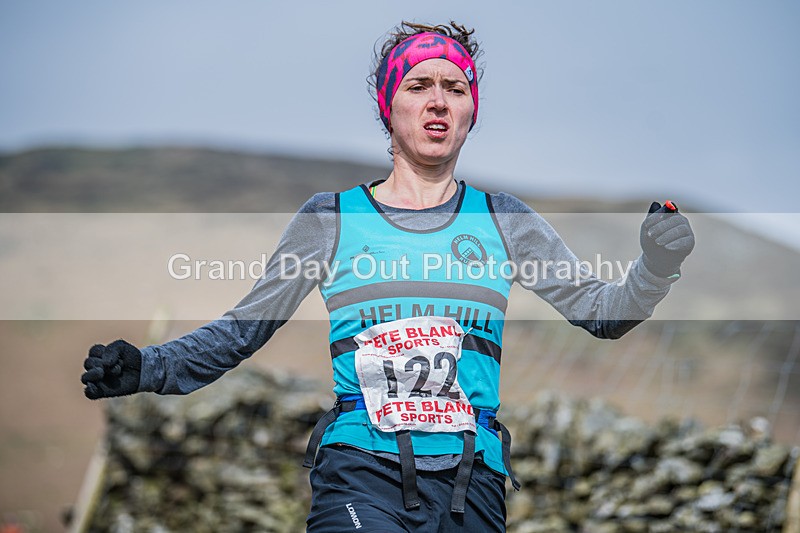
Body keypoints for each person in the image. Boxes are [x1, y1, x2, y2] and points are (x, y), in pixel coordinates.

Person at [81, 21, 695, 532]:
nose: (438, 100)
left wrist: (655, 266)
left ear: (470, 110)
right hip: (359, 468)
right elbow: (245, 328)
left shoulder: (505, 220)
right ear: (389, 105)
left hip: (470, 478)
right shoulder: (330, 218)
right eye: (419, 84)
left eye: (454, 88)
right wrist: (150, 367)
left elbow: (604, 313)